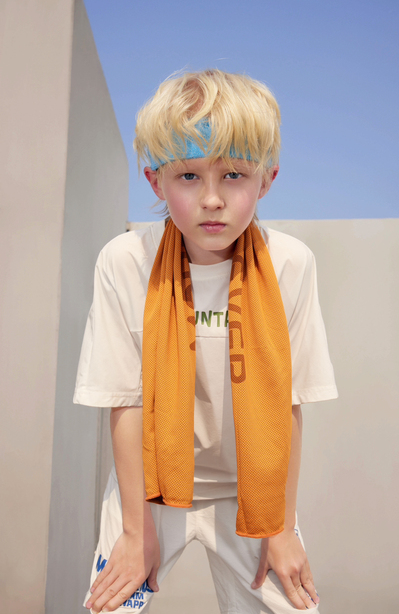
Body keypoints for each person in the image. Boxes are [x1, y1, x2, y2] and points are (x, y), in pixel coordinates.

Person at [73, 69, 338, 614]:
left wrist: (282, 526)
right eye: (189, 176)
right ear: (156, 182)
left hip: (252, 492)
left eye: (234, 174)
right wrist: (134, 532)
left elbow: (288, 403)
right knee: (108, 608)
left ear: (266, 180)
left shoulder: (290, 264)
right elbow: (124, 401)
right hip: (148, 490)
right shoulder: (125, 262)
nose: (212, 199)